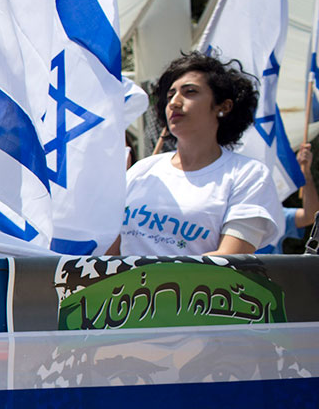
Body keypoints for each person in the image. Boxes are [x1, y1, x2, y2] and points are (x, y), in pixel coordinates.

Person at [113, 52, 281, 256]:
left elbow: (231, 259)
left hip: (196, 289)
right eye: (169, 96)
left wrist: (152, 279)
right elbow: (108, 255)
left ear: (224, 107)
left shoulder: (249, 175)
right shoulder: (142, 170)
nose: (174, 102)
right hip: (125, 289)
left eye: (190, 92)